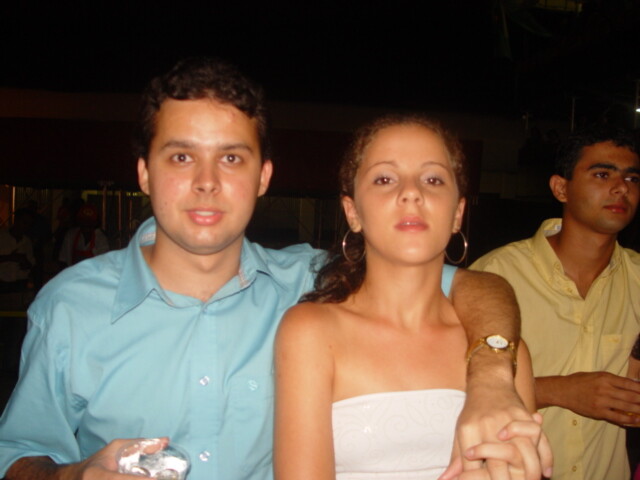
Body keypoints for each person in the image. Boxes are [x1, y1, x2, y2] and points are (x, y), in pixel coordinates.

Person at [0, 58, 547, 480]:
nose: (207, 182)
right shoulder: (72, 306)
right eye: (182, 156)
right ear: (144, 173)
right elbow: (17, 454)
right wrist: (72, 475)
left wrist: (491, 372)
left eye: (231, 158)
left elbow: (470, 285)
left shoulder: (308, 283)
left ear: (263, 177)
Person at [274, 114, 547, 480]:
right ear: (353, 212)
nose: (412, 192)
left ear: (458, 213)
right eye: (385, 179)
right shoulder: (311, 332)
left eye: (433, 179)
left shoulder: (502, 354)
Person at [472, 126, 640, 480]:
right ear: (561, 188)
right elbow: (442, 385)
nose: (621, 188)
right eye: (602, 174)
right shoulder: (495, 276)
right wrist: (558, 391)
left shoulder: (637, 280)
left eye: (632, 178)